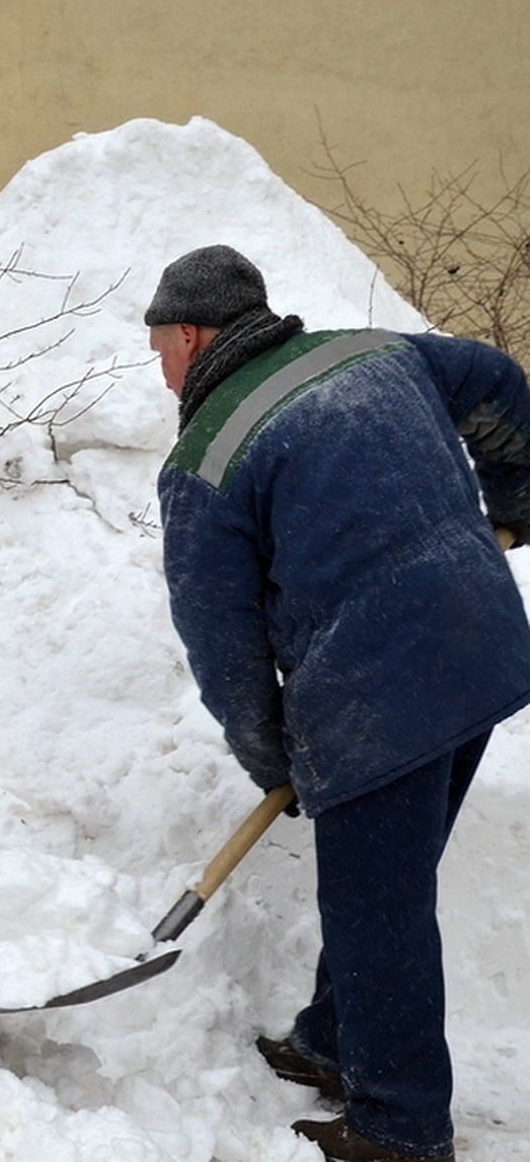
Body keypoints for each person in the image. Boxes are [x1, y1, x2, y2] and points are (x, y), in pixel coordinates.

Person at [146, 244, 530, 1162]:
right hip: (480, 645)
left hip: (378, 688)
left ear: (192, 335)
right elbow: (498, 378)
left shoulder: (205, 460)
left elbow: (222, 642)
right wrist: (517, 497)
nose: (159, 368)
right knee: (384, 883)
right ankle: (335, 1038)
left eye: (158, 345)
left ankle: (399, 1127)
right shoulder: (372, 352)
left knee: (377, 906)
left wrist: (271, 754)